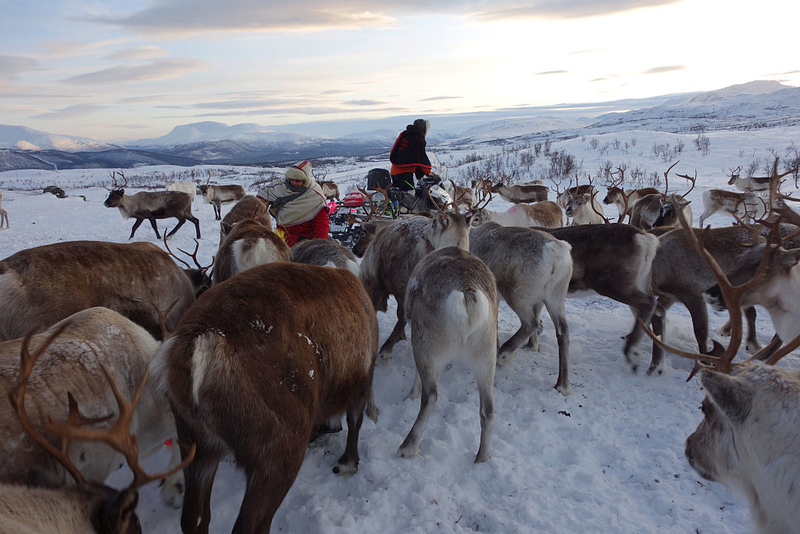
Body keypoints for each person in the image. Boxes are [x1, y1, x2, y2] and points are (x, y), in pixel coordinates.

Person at [256, 160, 329, 246]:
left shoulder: (314, 195)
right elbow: (261, 199)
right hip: (281, 236)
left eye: (298, 181)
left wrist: (320, 244)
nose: (294, 183)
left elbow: (321, 222)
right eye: (292, 180)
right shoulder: (280, 186)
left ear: (305, 181)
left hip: (305, 240)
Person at [389, 119, 432, 191]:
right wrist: (428, 172)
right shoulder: (417, 138)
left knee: (400, 195)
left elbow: (414, 158)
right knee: (410, 194)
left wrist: (420, 175)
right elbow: (421, 158)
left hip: (395, 171)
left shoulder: (406, 134)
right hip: (404, 173)